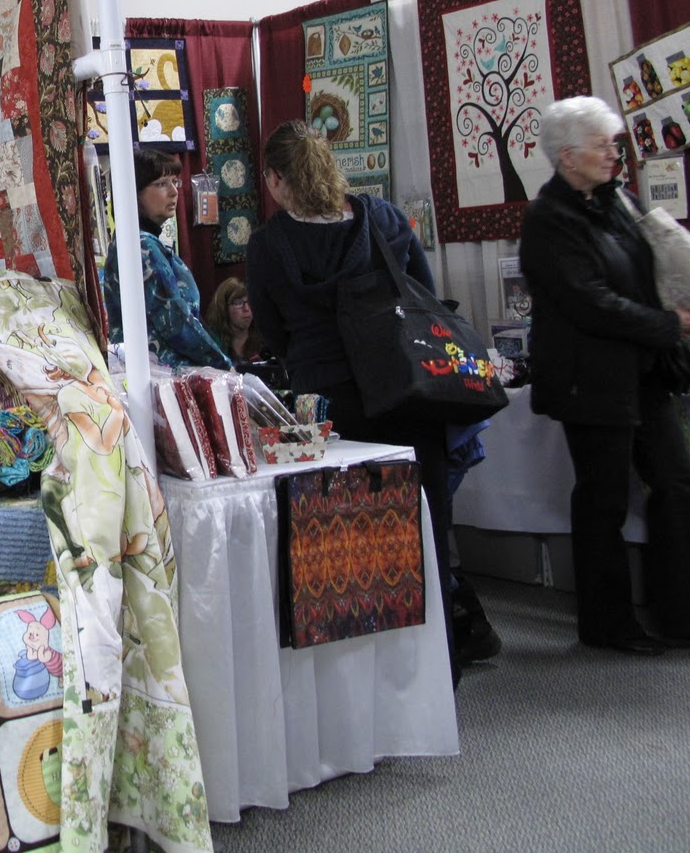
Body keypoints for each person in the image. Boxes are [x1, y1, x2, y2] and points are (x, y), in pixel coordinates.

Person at [245, 121, 458, 681]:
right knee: (424, 533)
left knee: (345, 545)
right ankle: (436, 675)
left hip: (329, 404)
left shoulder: (269, 246)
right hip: (406, 391)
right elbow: (426, 298)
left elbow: (274, 331)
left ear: (275, 179)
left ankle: (360, 686)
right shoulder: (383, 220)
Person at [519, 95, 690, 656]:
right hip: (588, 381)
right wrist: (667, 324)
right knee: (604, 501)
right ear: (568, 156)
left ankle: (689, 617)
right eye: (603, 145)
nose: (615, 153)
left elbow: (652, 273)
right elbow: (590, 302)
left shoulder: (619, 200)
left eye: (614, 143)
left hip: (643, 371)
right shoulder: (547, 220)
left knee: (678, 486)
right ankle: (607, 625)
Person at [102, 147, 230, 368]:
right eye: (162, 184)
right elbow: (175, 320)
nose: (174, 192)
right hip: (162, 374)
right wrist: (224, 365)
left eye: (174, 182)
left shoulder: (136, 241)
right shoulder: (141, 245)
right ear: (134, 192)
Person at [204, 277, 264, 364]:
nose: (246, 309)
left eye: (249, 302)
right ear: (224, 308)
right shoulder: (210, 342)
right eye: (238, 303)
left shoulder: (264, 339)